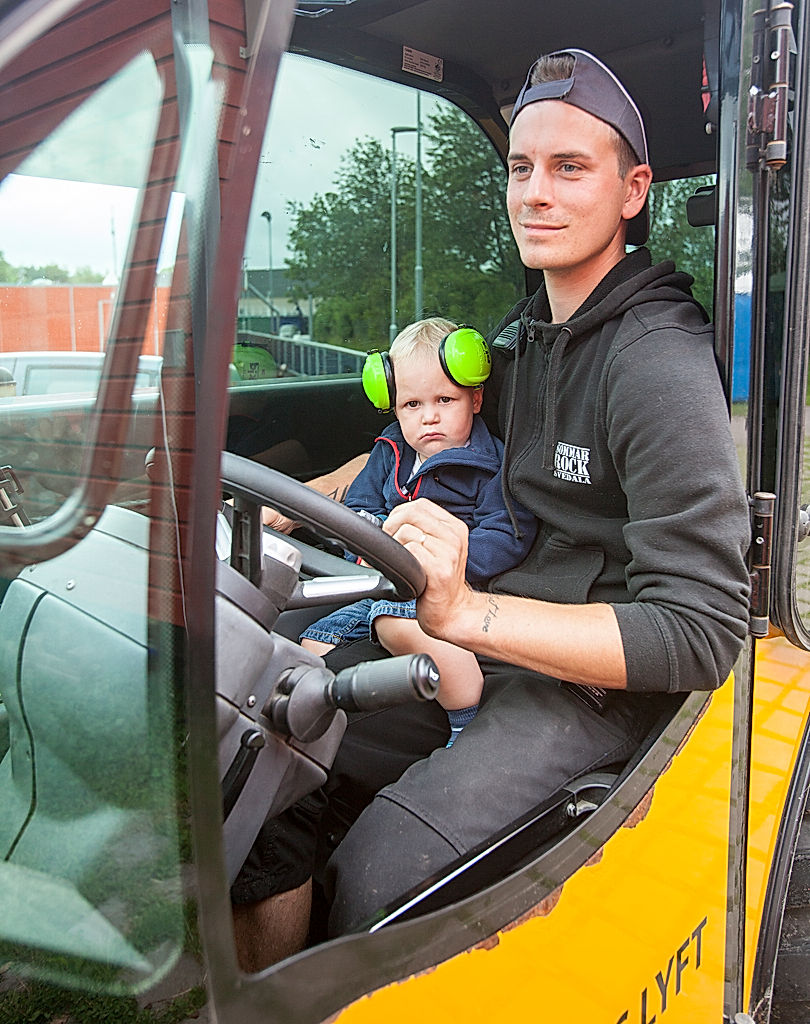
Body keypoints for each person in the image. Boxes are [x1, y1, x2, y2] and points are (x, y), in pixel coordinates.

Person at [233, 48, 751, 959]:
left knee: (379, 885)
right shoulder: (520, 341)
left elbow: (704, 633)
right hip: (476, 643)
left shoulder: (657, 366)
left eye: (569, 168)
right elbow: (433, 440)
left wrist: (469, 610)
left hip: (584, 692)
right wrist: (306, 498)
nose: (535, 194)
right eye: (520, 168)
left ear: (633, 190)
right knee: (264, 764)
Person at [299, 317, 537, 745]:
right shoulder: (390, 452)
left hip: (451, 591)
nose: (429, 417)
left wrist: (451, 564)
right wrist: (367, 540)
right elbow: (359, 508)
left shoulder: (492, 466)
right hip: (385, 585)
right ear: (393, 405)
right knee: (312, 642)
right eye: (412, 405)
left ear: (476, 399)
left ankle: (465, 718)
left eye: (445, 399)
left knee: (392, 623)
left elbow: (508, 534)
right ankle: (334, 728)